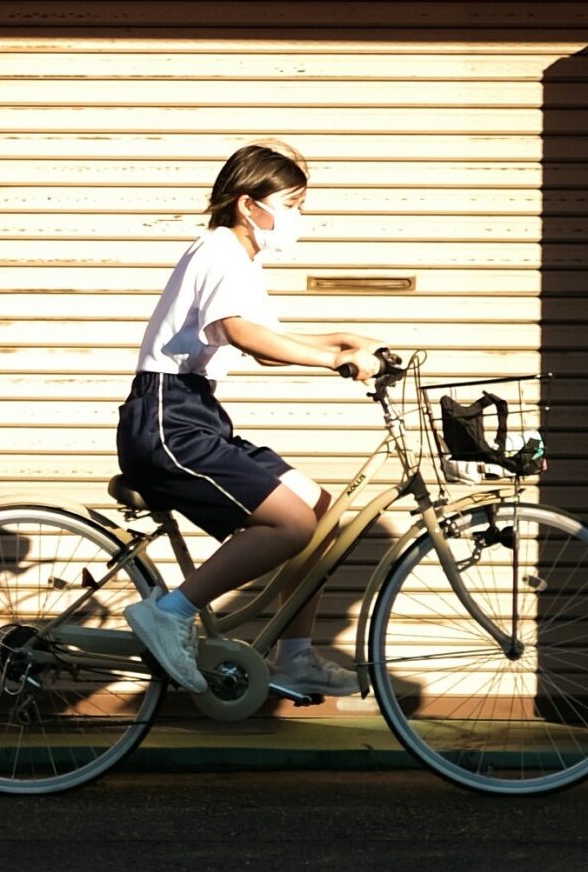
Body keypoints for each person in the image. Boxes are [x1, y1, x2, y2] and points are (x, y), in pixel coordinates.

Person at [117, 143, 389, 701]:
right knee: (290, 526)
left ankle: (295, 660)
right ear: (248, 205)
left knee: (320, 512)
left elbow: (267, 344)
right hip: (168, 419)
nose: (298, 218)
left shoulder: (239, 260)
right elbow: (240, 332)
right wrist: (332, 357)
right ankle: (170, 613)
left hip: (196, 415)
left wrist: (344, 340)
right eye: (292, 204)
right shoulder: (219, 250)